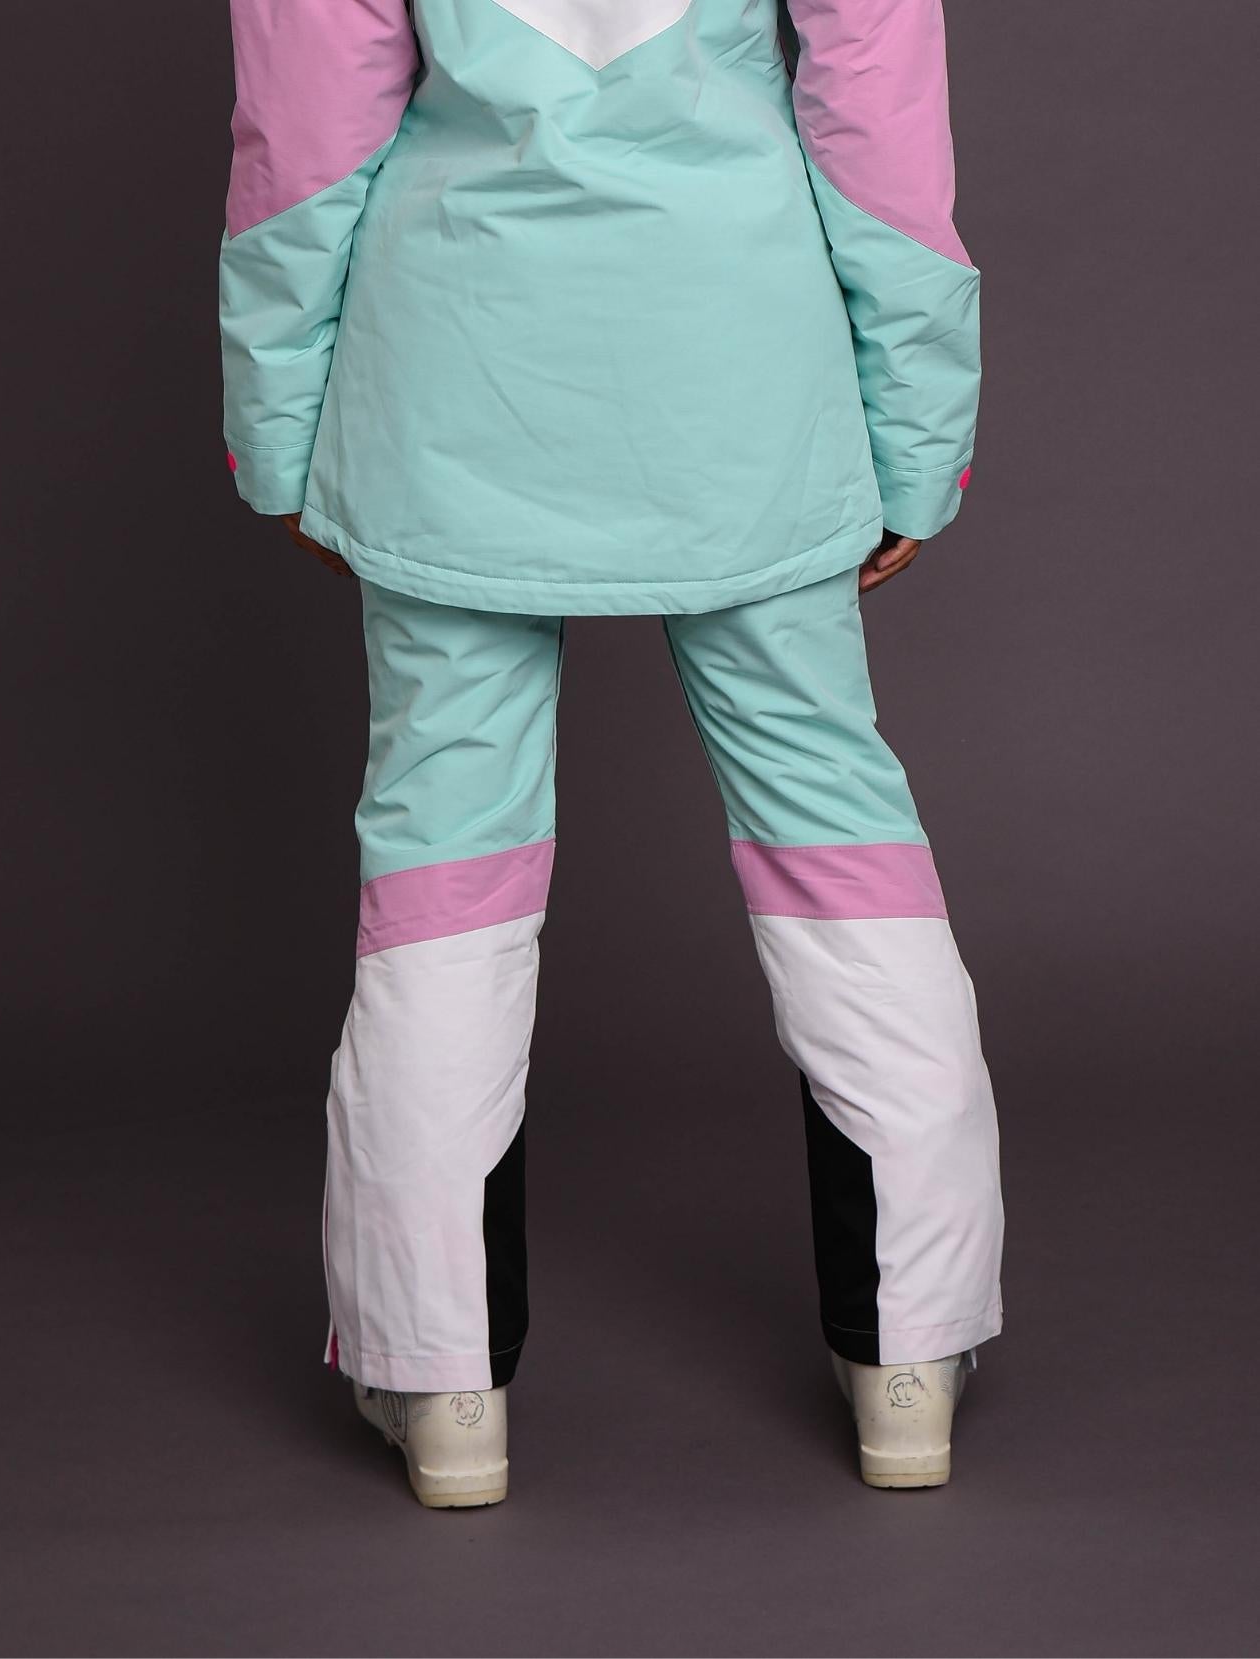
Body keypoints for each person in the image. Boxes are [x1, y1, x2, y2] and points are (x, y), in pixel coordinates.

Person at [219, 0, 1003, 1505]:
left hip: (455, 378)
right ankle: (908, 1356)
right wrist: (919, 439)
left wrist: (280, 434)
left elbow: (300, 149)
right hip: (743, 377)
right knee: (836, 844)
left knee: (443, 864)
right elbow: (881, 121)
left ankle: (441, 1380)